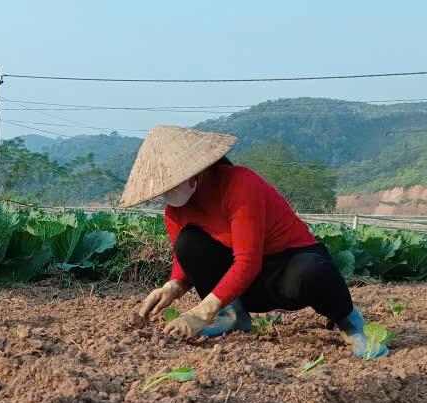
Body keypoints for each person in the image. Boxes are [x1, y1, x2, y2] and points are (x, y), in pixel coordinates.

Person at [121, 126, 387, 359]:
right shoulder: (175, 211)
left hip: (286, 266)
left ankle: (351, 322)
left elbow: (248, 261)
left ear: (196, 171)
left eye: (172, 183)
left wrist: (201, 313)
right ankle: (233, 317)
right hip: (243, 283)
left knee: (313, 271)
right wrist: (174, 286)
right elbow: (185, 257)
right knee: (188, 242)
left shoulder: (239, 185)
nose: (167, 193)